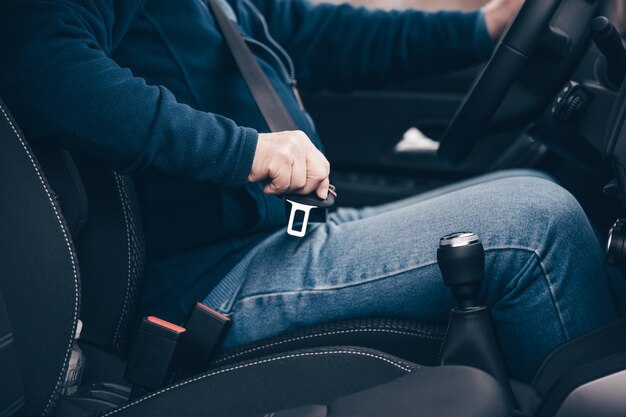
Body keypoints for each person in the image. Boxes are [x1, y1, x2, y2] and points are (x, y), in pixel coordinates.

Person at [0, 0, 617, 383]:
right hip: (206, 280)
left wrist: (485, 28)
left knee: (533, 190)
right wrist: (244, 150)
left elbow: (316, 33)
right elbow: (42, 62)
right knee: (540, 228)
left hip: (276, 234)